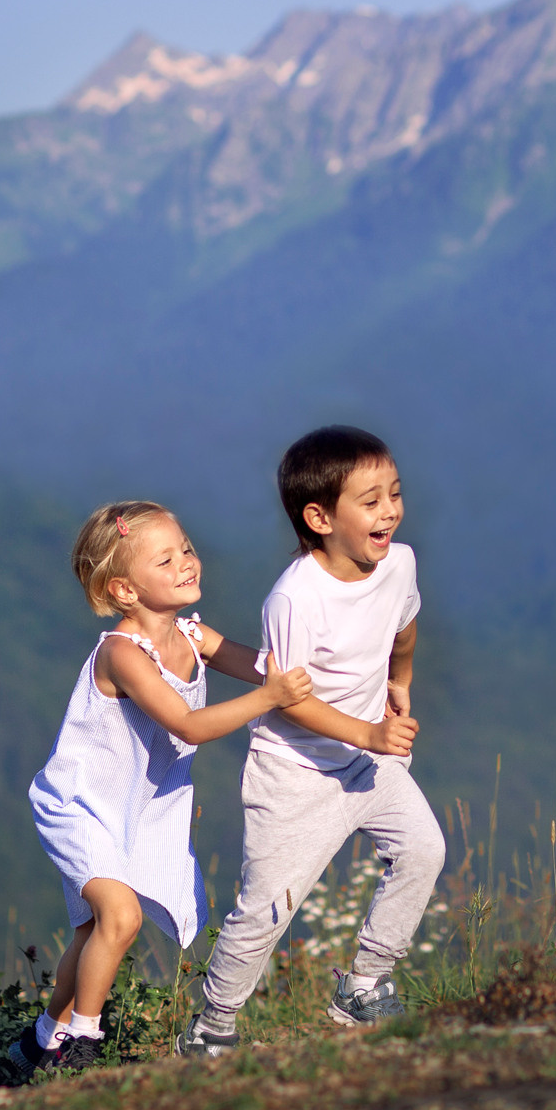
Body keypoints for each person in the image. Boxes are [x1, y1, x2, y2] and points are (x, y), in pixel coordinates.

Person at [12, 501, 312, 1074]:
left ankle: (42, 1038)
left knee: (90, 931)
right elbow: (190, 724)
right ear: (125, 591)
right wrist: (273, 697)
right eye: (166, 559)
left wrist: (330, 659)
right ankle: (83, 1046)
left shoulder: (193, 636)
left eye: (188, 549)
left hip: (135, 807)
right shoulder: (122, 653)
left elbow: (266, 665)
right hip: (79, 804)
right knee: (119, 919)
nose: (187, 563)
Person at [178, 426, 447, 1057]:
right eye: (372, 500)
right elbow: (287, 697)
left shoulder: (398, 562)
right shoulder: (295, 598)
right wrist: (370, 733)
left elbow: (403, 623)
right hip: (295, 774)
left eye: (395, 494)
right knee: (267, 908)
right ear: (319, 516)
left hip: (365, 760)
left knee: (424, 850)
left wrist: (399, 681)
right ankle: (213, 1026)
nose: (390, 511)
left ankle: (365, 983)